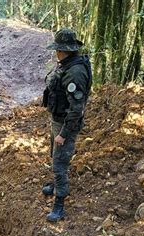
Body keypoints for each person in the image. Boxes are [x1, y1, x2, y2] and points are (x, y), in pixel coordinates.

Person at [42, 28, 92, 222]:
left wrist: (63, 133)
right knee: (54, 155)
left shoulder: (75, 73)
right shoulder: (66, 64)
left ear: (64, 50)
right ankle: (54, 186)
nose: (56, 52)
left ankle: (59, 205)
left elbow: (76, 109)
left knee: (60, 164)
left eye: (58, 49)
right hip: (58, 119)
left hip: (65, 124)